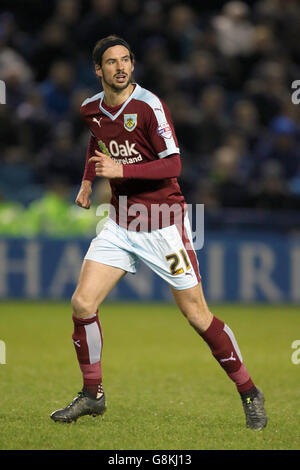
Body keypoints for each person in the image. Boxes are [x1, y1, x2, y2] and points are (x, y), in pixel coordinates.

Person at [50, 35, 267, 430]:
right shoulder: (90, 109)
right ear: (98, 70)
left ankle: (249, 391)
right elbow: (97, 142)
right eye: (112, 62)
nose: (121, 67)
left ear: (132, 65)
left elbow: (174, 165)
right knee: (82, 304)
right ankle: (92, 395)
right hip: (119, 223)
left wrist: (122, 171)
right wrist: (86, 182)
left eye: (126, 60)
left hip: (164, 224)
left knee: (197, 315)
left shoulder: (149, 106)